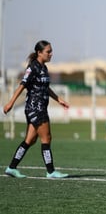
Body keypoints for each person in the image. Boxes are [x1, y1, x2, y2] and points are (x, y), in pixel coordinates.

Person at [3, 40, 70, 179]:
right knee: (46, 137)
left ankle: (11, 167)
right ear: (39, 52)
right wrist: (10, 103)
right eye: (48, 51)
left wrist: (58, 99)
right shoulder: (32, 67)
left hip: (39, 107)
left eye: (51, 51)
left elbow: (45, 87)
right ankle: (51, 171)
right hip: (35, 108)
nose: (51, 54)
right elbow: (22, 85)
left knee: (30, 140)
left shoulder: (43, 67)